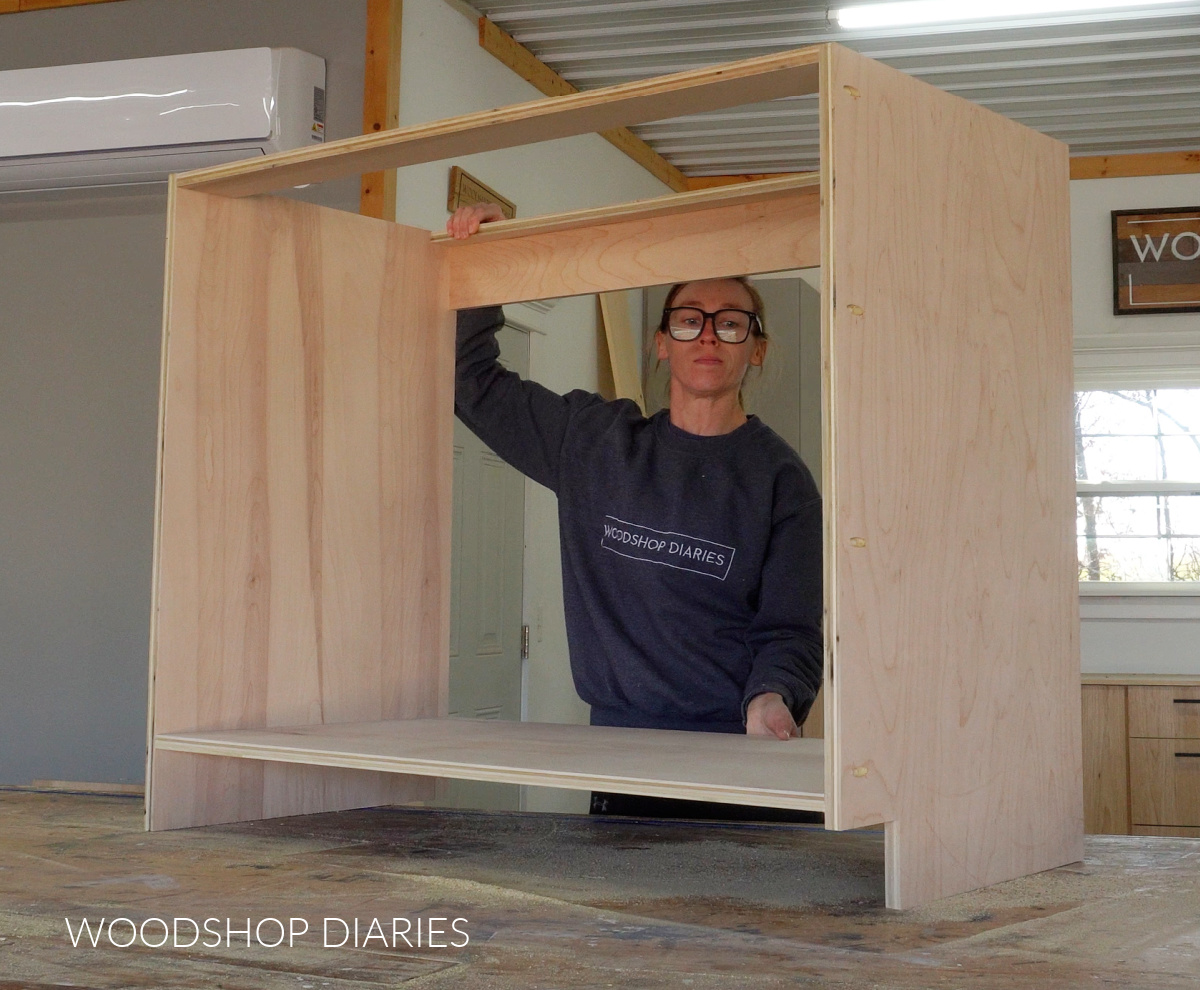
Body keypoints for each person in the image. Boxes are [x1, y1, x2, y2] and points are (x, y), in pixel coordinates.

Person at [448, 203, 823, 815]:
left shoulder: (783, 481)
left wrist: (773, 697)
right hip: (623, 755)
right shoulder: (593, 445)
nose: (707, 334)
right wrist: (484, 260)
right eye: (688, 320)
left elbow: (791, 630)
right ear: (659, 344)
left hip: (741, 758)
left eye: (731, 323)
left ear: (755, 349)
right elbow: (472, 384)